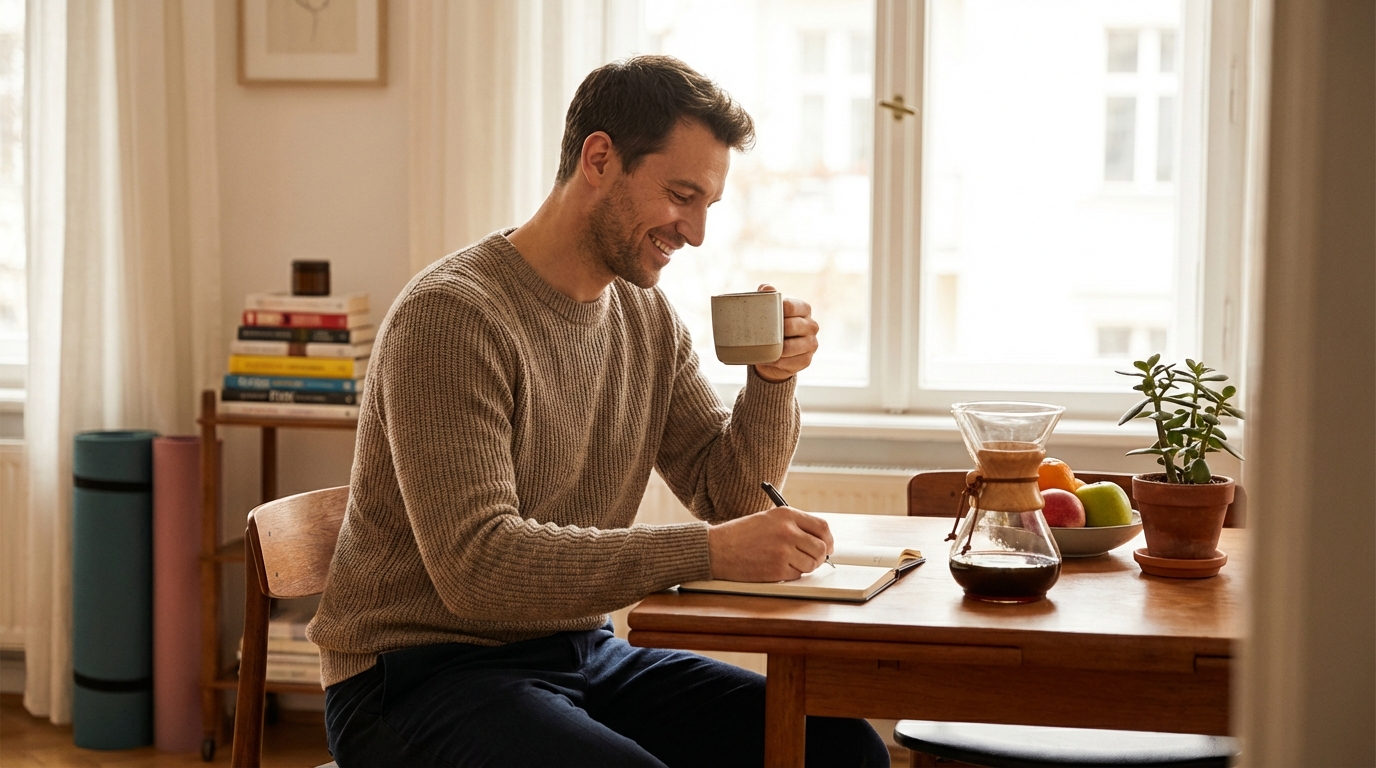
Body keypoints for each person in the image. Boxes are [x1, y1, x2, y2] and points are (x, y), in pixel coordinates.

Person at [309, 55, 890, 767]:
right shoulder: (453, 317)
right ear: (599, 157)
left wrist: (771, 382)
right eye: (682, 195)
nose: (697, 232)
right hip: (416, 678)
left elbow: (728, 495)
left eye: (708, 204)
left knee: (837, 748)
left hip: (579, 654)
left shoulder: (645, 317)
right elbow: (477, 566)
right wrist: (707, 552)